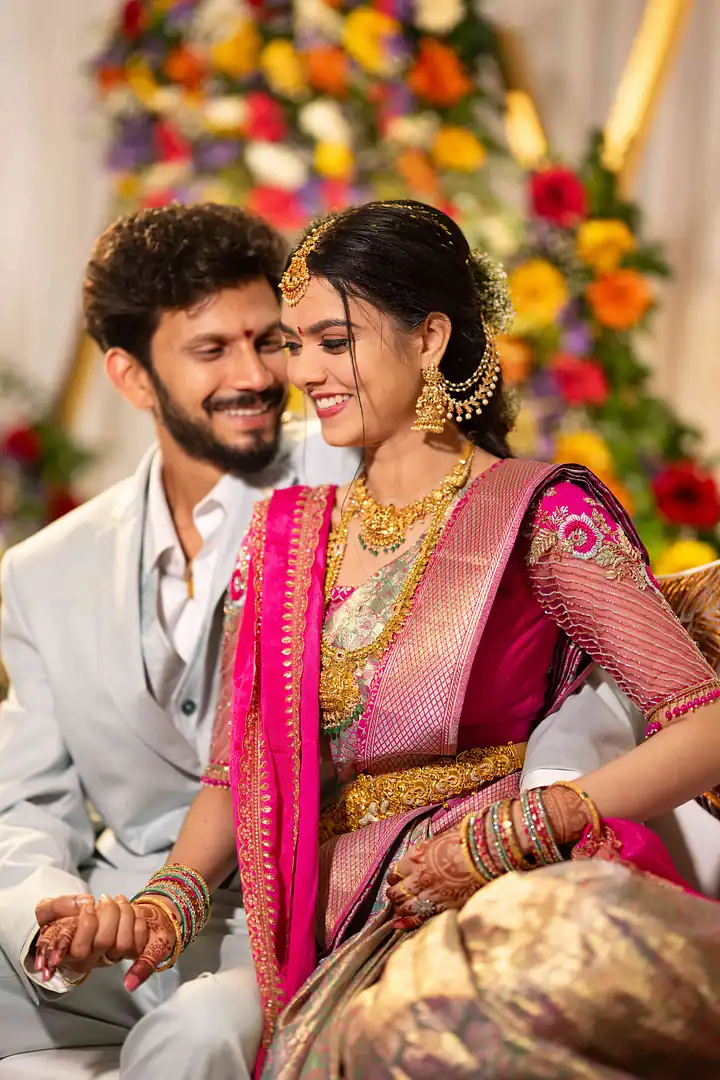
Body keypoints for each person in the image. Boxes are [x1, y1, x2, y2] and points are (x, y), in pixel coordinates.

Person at [35, 200, 720, 1079]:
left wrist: (524, 826)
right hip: (307, 917)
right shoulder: (285, 535)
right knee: (190, 1036)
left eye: (334, 341)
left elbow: (703, 722)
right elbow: (236, 766)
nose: (303, 371)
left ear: (429, 338)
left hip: (484, 898)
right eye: (296, 343)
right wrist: (166, 905)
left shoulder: (541, 513)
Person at [0, 203, 359, 1078]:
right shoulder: (43, 570)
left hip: (304, 918)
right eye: (213, 350)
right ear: (132, 377)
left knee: (196, 1036)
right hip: (115, 937)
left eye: (269, 340)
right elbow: (25, 806)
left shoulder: (358, 476)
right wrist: (55, 918)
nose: (257, 374)